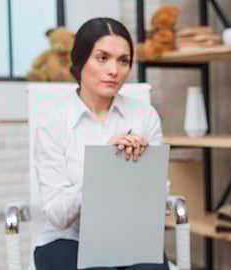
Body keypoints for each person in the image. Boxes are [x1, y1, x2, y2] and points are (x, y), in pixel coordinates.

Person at [33, 17, 169, 270]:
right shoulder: (53, 122)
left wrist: (143, 171)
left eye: (123, 60)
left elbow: (159, 202)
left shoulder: (144, 116)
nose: (114, 70)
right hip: (66, 239)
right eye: (102, 58)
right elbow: (57, 216)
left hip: (130, 237)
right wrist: (104, 164)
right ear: (81, 59)